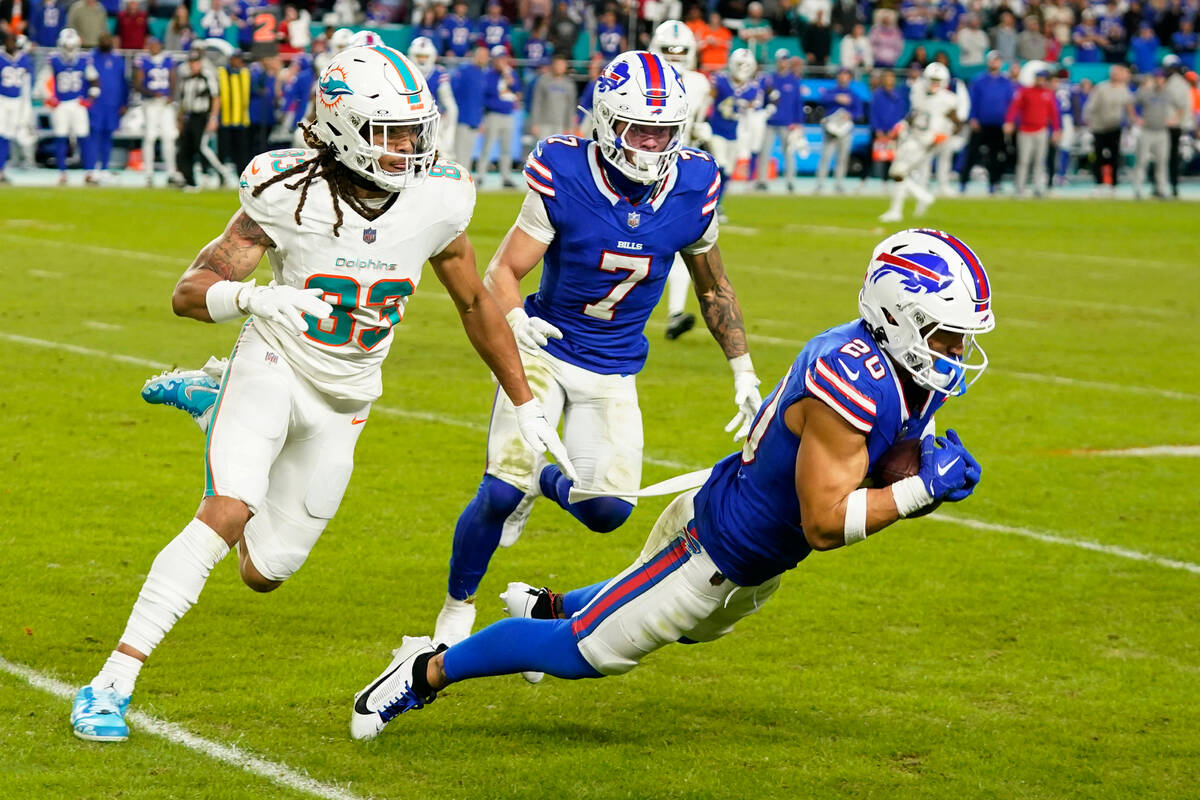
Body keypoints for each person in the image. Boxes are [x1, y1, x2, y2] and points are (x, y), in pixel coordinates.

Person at [70, 43, 572, 744]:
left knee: (266, 571)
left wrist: (523, 400)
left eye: (414, 130)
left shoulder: (437, 198)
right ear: (341, 130)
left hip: (348, 397)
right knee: (225, 510)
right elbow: (188, 292)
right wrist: (253, 296)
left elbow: (475, 304)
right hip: (274, 364)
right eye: (390, 134)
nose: (409, 148)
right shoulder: (286, 190)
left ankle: (209, 410)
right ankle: (110, 684)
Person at [350, 227, 995, 741]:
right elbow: (825, 523)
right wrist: (917, 493)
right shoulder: (852, 376)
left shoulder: (907, 372)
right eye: (946, 333)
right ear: (897, 316)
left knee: (691, 629)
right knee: (586, 653)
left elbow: (884, 456)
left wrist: (916, 467)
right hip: (714, 545)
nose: (956, 350)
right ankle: (423, 672)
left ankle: (550, 603)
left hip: (759, 555)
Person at [430, 50, 763, 648]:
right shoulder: (564, 169)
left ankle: (545, 481)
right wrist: (513, 317)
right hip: (546, 344)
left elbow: (713, 285)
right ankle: (455, 610)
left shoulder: (695, 183)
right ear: (607, 122)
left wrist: (743, 370)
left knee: (608, 511)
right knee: (501, 486)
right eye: (640, 129)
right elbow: (505, 269)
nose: (652, 145)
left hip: (613, 367)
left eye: (665, 131)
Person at [650, 19, 715, 340]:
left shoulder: (699, 82)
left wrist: (703, 134)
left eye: (680, 51)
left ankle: (675, 312)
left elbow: (698, 121)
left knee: (684, 244)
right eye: (669, 51)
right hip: (641, 165)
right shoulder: (640, 74)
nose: (674, 56)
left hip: (679, 170)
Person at [880, 62, 961, 221]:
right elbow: (914, 114)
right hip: (912, 137)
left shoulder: (948, 100)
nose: (934, 83)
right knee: (900, 172)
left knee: (899, 172)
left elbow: (957, 124)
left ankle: (911, 204)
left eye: (938, 80)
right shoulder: (917, 91)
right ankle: (904, 206)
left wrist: (945, 135)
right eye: (932, 79)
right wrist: (903, 124)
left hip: (928, 142)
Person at [708, 48, 762, 220]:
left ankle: (717, 205)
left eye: (746, 65)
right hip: (716, 130)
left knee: (728, 172)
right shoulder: (720, 80)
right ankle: (709, 204)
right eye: (740, 64)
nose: (743, 68)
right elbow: (708, 100)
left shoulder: (752, 89)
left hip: (734, 134)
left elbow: (754, 110)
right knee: (720, 166)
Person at [42, 28, 98, 185]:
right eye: (67, 46)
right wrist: (49, 97)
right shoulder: (53, 59)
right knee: (60, 137)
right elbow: (45, 81)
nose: (69, 50)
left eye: (72, 46)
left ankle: (89, 172)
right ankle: (62, 172)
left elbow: (94, 79)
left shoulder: (84, 59)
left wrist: (91, 98)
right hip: (61, 104)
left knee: (84, 137)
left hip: (77, 103)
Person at [961, 51, 1014, 194]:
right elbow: (971, 100)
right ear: (988, 62)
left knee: (995, 156)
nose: (995, 63)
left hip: (998, 125)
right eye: (993, 60)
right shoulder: (979, 80)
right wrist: (972, 117)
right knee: (971, 154)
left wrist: (1009, 121)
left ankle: (993, 184)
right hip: (980, 124)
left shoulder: (1006, 82)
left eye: (998, 60)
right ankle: (963, 183)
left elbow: (1011, 104)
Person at [756, 50, 807, 194]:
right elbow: (762, 100)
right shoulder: (769, 79)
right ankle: (762, 181)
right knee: (764, 152)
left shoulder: (793, 80)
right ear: (777, 61)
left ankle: (790, 181)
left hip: (787, 123)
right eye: (781, 59)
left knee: (789, 153)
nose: (783, 62)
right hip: (770, 122)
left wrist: (798, 122)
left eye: (785, 59)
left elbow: (798, 103)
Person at [1004, 68, 1060, 197]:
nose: (1040, 81)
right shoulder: (1025, 92)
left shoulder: (1048, 94)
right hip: (1025, 130)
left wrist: (1056, 129)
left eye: (1043, 79)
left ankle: (1037, 187)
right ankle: (1020, 188)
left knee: (1039, 161)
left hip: (1041, 130)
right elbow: (1014, 107)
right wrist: (1009, 121)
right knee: (1023, 160)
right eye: (1039, 78)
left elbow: (1054, 113)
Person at [1083, 64, 1136, 191]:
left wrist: (1132, 121)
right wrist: (1089, 120)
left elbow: (1129, 106)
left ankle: (1114, 183)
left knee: (1115, 156)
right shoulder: (1101, 87)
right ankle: (1099, 183)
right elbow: (1091, 105)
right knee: (1098, 155)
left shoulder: (1124, 89)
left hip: (1115, 126)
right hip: (1099, 126)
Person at [135, 37, 177, 186]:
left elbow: (173, 79)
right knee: (150, 137)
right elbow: (137, 83)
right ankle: (149, 174)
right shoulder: (142, 60)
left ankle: (171, 172)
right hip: (150, 103)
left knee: (169, 137)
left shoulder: (168, 59)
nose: (153, 47)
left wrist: (171, 96)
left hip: (165, 104)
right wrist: (152, 94)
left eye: (155, 44)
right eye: (150, 45)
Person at [409, 36, 458, 160]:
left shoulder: (439, 73)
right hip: (409, 120)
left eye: (425, 56)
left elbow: (448, 102)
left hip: (433, 122)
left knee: (441, 152)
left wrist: (448, 128)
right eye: (419, 56)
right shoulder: (407, 72)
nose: (422, 60)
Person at [815, 67, 863, 194]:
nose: (843, 77)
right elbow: (821, 99)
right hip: (830, 129)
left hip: (845, 129)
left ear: (849, 78)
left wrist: (851, 115)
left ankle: (839, 184)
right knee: (826, 156)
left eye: (846, 75)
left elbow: (859, 112)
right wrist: (836, 98)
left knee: (842, 158)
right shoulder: (831, 91)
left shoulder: (853, 95)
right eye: (841, 75)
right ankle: (820, 184)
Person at [477, 45, 519, 187]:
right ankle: (480, 176)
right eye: (499, 58)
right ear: (494, 60)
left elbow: (517, 90)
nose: (502, 61)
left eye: (504, 58)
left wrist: (508, 76)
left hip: (508, 115)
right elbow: (487, 94)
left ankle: (506, 177)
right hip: (493, 115)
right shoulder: (488, 75)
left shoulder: (511, 73)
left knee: (506, 149)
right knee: (487, 147)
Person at [1132, 69, 1172, 199]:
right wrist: (1136, 118)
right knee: (1142, 160)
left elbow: (1181, 106)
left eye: (1162, 78)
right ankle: (1137, 189)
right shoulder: (1145, 93)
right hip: (1147, 131)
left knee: (1162, 162)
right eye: (1157, 78)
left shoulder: (1168, 94)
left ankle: (1161, 189)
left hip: (1162, 131)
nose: (1159, 81)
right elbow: (1130, 103)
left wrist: (1175, 119)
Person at [0, 33, 33, 183]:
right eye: (8, 41)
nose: (11, 44)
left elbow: (27, 82)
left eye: (13, 40)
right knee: (2, 135)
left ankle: (2, 169)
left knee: (8, 135)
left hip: (17, 101)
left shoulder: (24, 58)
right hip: (2, 99)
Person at [452, 44, 488, 174]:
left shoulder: (482, 74)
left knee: (468, 153)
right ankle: (459, 179)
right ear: (475, 55)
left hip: (474, 120)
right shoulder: (464, 70)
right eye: (481, 55)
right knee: (460, 153)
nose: (483, 58)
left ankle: (464, 179)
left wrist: (480, 120)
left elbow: (480, 100)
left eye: (485, 56)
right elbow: (453, 91)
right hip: (462, 118)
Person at [217, 50, 253, 176]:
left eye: (240, 59)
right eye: (236, 59)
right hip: (224, 119)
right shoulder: (221, 73)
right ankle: (220, 176)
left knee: (241, 153)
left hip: (241, 120)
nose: (239, 62)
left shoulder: (245, 73)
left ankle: (241, 177)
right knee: (223, 151)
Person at [528, 52, 574, 140]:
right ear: (553, 65)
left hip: (561, 125)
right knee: (543, 151)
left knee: (559, 152)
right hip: (544, 124)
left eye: (562, 64)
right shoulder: (543, 81)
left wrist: (569, 127)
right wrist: (535, 123)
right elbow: (537, 102)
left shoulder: (569, 84)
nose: (560, 67)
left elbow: (571, 106)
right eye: (558, 64)